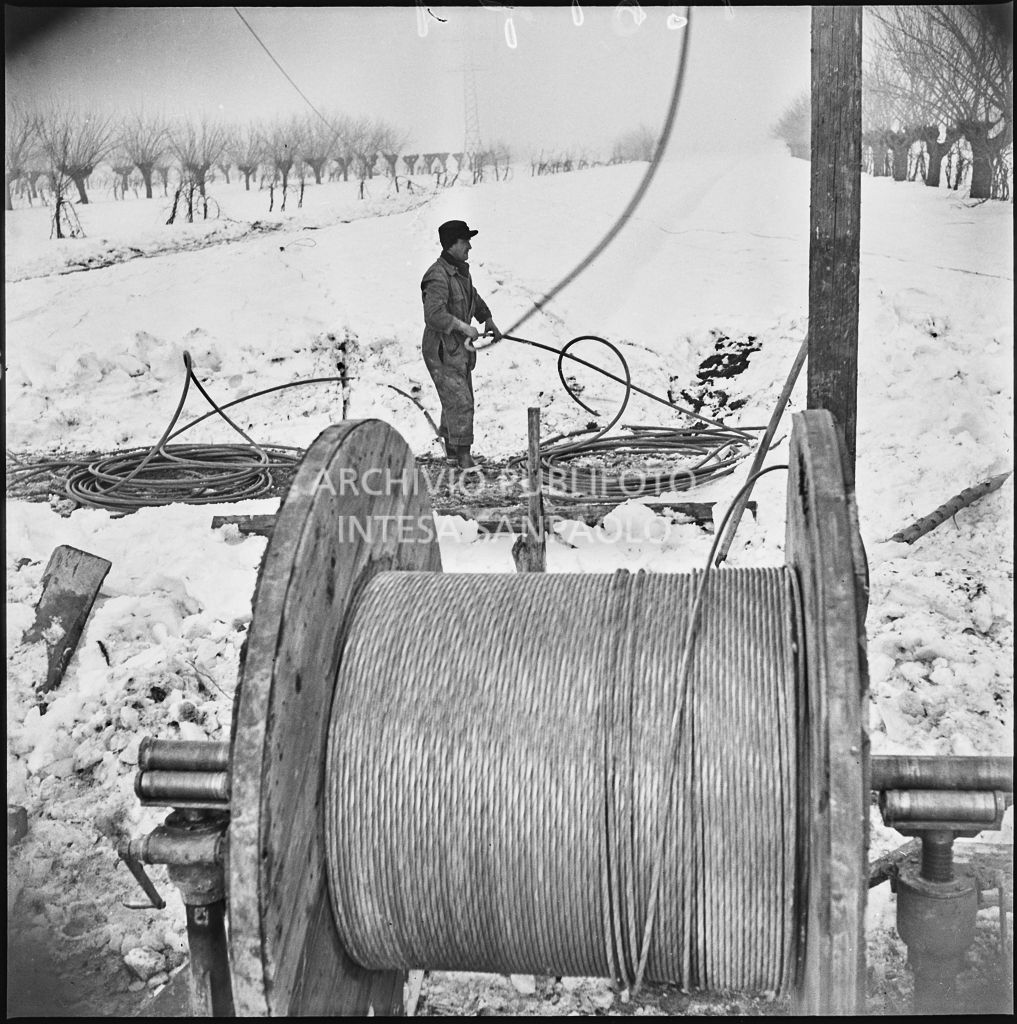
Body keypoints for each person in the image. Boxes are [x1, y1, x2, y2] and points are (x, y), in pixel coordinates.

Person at [420, 219, 502, 469]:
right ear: (452, 245)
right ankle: (464, 458)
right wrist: (463, 326)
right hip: (442, 349)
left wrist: (487, 319)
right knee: (460, 401)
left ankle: (454, 453)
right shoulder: (437, 275)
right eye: (465, 241)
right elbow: (433, 315)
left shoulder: (461, 272)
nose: (469, 247)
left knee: (455, 399)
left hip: (458, 350)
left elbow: (473, 298)